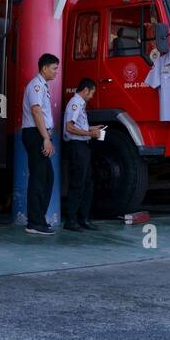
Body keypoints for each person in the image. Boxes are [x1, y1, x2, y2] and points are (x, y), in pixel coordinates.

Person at [21, 53, 59, 236]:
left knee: (47, 177)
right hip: (35, 135)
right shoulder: (36, 85)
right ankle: (34, 222)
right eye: (54, 68)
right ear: (44, 68)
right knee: (39, 178)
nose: (56, 72)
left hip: (40, 134)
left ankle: (38, 219)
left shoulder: (43, 86)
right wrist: (45, 138)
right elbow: (36, 111)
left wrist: (47, 136)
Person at [63, 77, 103, 232]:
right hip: (77, 146)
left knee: (87, 184)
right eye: (91, 93)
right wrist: (89, 133)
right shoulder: (74, 103)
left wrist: (91, 128)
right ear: (86, 90)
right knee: (78, 184)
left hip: (83, 146)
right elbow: (69, 127)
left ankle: (83, 218)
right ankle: (71, 220)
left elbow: (78, 125)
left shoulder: (80, 104)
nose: (91, 96)